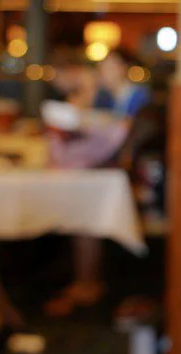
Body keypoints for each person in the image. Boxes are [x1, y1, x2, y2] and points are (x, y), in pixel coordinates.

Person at [44, 47, 151, 317]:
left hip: (125, 172)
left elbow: (126, 137)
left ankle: (87, 282)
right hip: (105, 167)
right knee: (77, 197)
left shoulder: (139, 97)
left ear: (124, 67)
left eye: (110, 66)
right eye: (103, 67)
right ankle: (84, 279)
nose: (105, 72)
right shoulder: (107, 96)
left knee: (83, 201)